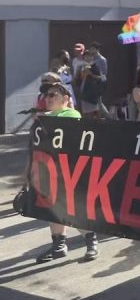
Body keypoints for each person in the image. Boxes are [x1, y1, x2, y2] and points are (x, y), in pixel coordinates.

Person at [34, 82, 99, 263]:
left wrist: (44, 118)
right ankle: (59, 245)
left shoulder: (71, 113)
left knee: (73, 208)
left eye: (53, 95)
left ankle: (91, 241)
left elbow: (66, 126)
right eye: (46, 96)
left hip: (70, 170)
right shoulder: (44, 117)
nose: (48, 99)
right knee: (53, 209)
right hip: (50, 170)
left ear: (65, 99)